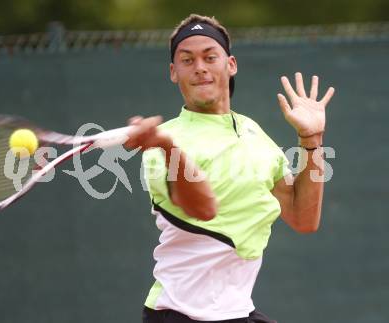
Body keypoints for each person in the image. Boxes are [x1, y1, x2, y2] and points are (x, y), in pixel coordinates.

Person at [125, 14, 335, 323]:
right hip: (181, 314)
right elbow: (203, 208)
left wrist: (311, 139)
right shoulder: (161, 145)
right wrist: (166, 147)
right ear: (174, 72)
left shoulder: (254, 133)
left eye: (210, 57)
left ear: (231, 64)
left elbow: (303, 218)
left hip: (237, 312)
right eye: (187, 60)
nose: (200, 67)